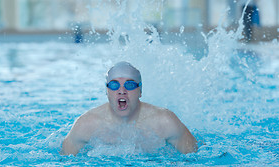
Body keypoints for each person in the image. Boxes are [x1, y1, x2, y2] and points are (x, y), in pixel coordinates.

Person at [61, 61, 198, 156]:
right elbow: (63, 164)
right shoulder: (86, 125)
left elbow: (196, 158)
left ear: (140, 91)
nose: (122, 91)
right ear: (107, 91)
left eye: (130, 85)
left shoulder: (165, 122)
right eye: (114, 85)